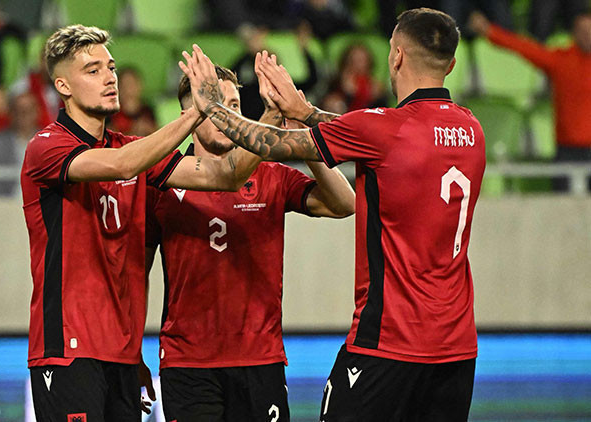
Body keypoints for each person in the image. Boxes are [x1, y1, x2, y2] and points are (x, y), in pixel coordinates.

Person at [180, 7, 486, 421]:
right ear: (450, 65)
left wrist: (213, 107)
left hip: (390, 340)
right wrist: (306, 112)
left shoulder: (385, 129)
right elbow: (376, 135)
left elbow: (277, 144)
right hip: (458, 347)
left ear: (396, 56)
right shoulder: (471, 128)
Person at [22, 25, 266, 421]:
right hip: (68, 351)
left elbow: (224, 176)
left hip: (122, 355)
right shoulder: (47, 147)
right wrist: (196, 112)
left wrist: (273, 116)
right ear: (63, 86)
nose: (109, 77)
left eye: (111, 67)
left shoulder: (131, 147)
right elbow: (122, 166)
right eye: (93, 70)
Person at [145, 63, 355, 421]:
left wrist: (302, 136)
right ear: (188, 115)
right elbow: (138, 271)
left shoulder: (270, 175)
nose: (227, 116)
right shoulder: (163, 182)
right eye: (215, 104)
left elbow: (344, 203)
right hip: (188, 363)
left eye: (234, 106)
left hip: (260, 359)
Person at [469, 11, 591, 191]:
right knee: (563, 203)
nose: (587, 35)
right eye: (583, 30)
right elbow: (523, 48)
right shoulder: (561, 61)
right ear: (574, 33)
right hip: (567, 149)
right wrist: (490, 31)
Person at [0, 92, 39, 196]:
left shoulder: (51, 141)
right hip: (6, 201)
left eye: (28, 110)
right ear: (11, 113)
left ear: (37, 112)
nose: (24, 114)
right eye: (19, 110)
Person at [320, 43, 388, 114]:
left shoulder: (375, 86)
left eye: (361, 60)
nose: (357, 64)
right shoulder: (336, 82)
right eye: (353, 60)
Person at [107, 67, 157, 136]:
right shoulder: (111, 113)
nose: (128, 90)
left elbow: (158, 134)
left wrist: (149, 129)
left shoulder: (147, 110)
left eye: (131, 84)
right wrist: (132, 132)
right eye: (124, 85)